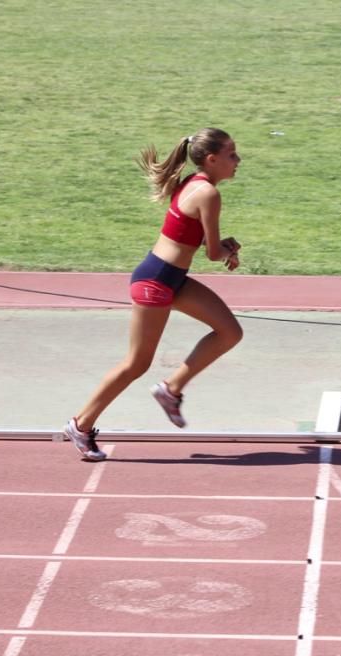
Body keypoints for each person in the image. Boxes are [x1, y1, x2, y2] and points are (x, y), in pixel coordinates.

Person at [63, 127, 244, 461]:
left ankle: (170, 389)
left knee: (230, 332)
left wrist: (224, 247)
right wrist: (229, 250)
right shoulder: (207, 193)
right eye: (232, 154)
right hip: (157, 281)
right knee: (136, 363)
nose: (238, 160)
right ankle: (81, 424)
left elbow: (196, 238)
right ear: (212, 159)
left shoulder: (196, 183)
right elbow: (213, 253)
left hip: (171, 278)